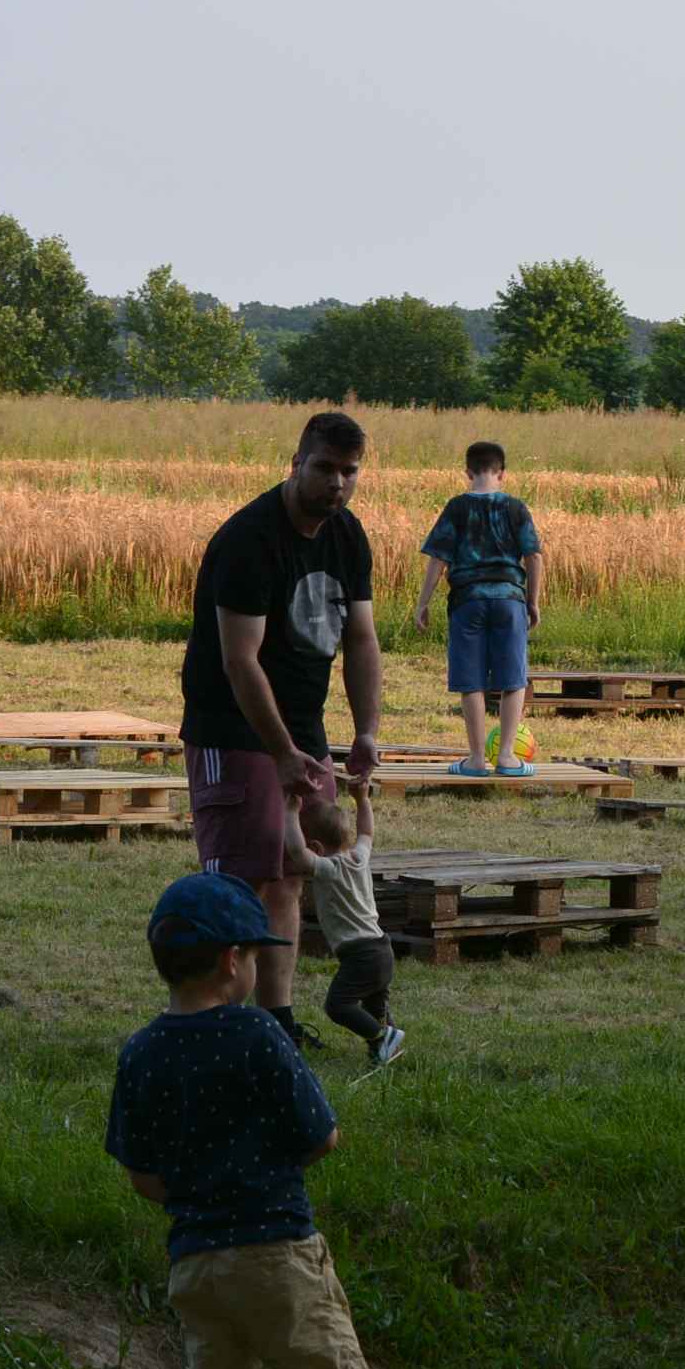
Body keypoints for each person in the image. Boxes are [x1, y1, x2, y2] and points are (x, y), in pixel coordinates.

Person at [106, 873, 369, 1369]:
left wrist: (199, 1197)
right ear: (232, 961)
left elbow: (142, 1175)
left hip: (196, 1265)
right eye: (254, 956)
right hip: (279, 1254)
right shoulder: (257, 1033)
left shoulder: (141, 1051)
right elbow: (323, 1136)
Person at [181, 411, 383, 1053]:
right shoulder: (249, 539)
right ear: (296, 464)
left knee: (294, 872)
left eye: (349, 472)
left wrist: (366, 730)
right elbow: (240, 661)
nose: (337, 484)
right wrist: (281, 753)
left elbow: (361, 639)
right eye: (325, 469)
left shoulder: (347, 536)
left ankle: (277, 1022)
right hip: (233, 727)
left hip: (304, 729)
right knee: (244, 880)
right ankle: (216, 1021)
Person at [413, 441, 544, 778]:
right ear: (502, 474)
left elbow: (438, 558)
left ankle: (475, 759)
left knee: (470, 680)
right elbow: (534, 556)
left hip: (467, 601)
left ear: (468, 472)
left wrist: (423, 602)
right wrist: (532, 601)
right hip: (509, 599)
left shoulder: (457, 508)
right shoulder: (515, 508)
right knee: (513, 679)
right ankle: (507, 757)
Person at [290, 778, 404, 1071]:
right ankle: (386, 1050)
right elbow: (366, 832)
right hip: (381, 948)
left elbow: (298, 855)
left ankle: (382, 1037)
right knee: (375, 1006)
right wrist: (362, 799)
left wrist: (290, 811)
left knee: (338, 1006)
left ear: (316, 847)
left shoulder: (328, 869)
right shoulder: (359, 858)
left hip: (360, 954)